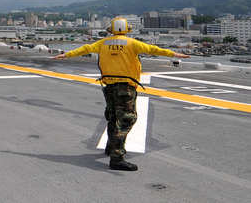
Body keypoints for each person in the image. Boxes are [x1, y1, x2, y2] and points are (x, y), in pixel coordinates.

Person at [52, 17, 190, 171]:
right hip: (125, 86)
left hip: (109, 85)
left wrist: (65, 55)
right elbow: (153, 49)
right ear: (126, 29)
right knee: (126, 119)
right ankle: (117, 157)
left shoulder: (103, 43)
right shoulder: (132, 43)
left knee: (113, 117)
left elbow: (85, 49)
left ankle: (111, 147)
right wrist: (174, 55)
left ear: (111, 29)